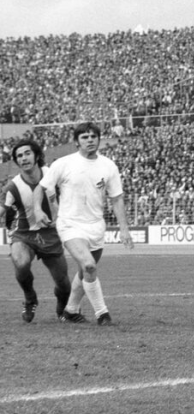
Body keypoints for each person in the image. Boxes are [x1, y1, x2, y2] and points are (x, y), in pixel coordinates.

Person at [34, 122, 134, 326]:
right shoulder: (64, 163)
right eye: (85, 137)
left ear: (99, 139)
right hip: (70, 224)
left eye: (93, 136)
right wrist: (37, 209)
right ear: (77, 142)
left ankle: (70, 311)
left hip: (96, 226)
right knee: (89, 265)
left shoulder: (108, 166)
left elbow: (116, 198)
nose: (90, 140)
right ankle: (102, 314)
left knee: (84, 271)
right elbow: (41, 187)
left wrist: (124, 229)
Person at [0, 139, 73, 323]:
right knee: (20, 262)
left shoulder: (53, 175)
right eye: (19, 156)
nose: (23, 158)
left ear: (37, 155)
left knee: (64, 284)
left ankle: (61, 308)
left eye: (27, 153)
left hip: (51, 234)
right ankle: (30, 298)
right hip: (24, 234)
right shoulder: (13, 186)